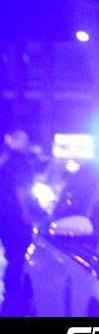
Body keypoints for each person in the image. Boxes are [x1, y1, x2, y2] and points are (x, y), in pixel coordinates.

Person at [0, 130, 36, 315]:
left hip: (5, 217)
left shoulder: (5, 162)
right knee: (19, 255)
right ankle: (16, 296)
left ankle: (11, 291)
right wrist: (25, 212)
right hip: (15, 217)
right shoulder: (20, 163)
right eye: (25, 142)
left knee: (12, 254)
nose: (27, 146)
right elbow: (20, 188)